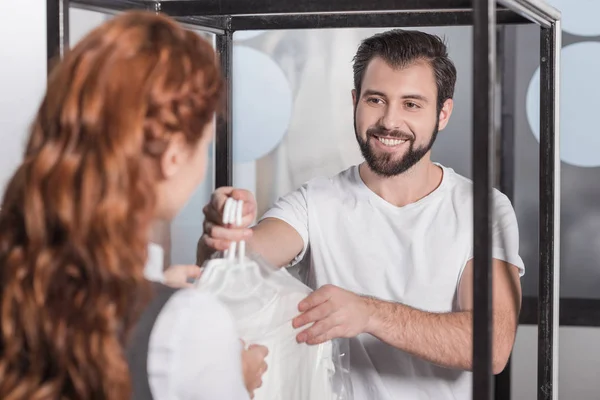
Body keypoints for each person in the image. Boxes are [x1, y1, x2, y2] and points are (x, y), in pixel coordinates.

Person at [198, 29, 524, 399]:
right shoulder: (314, 202)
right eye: (376, 99)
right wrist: (223, 235)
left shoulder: (483, 209)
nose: (389, 121)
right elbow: (231, 265)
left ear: (443, 113)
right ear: (355, 101)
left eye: (412, 104)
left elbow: (492, 346)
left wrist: (368, 314)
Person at [0, 11, 267, 400]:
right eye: (204, 144)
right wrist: (236, 380)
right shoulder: (191, 328)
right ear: (173, 156)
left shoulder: (21, 272)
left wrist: (155, 292)